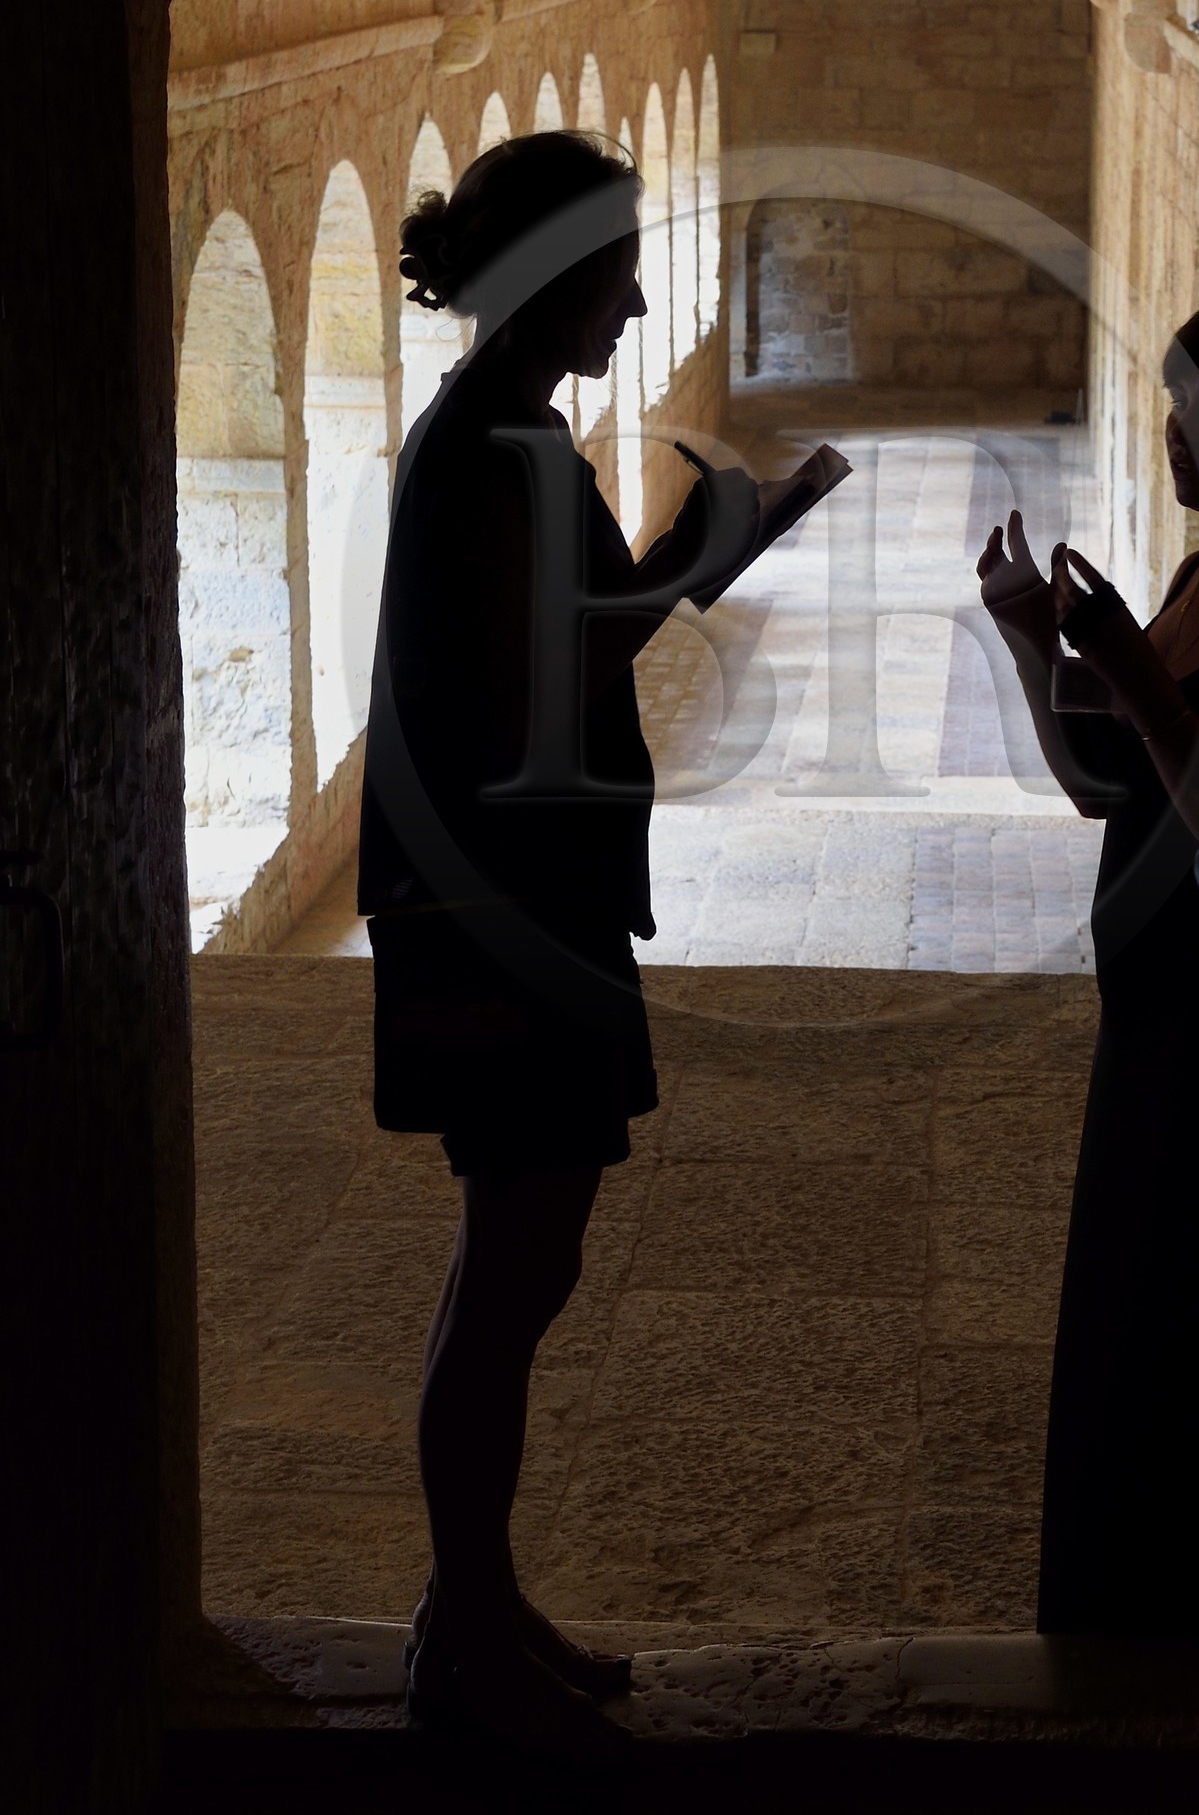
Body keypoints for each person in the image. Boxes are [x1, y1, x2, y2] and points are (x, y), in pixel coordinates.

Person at [358, 130, 785, 1755]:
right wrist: (694, 562)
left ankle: (473, 1606)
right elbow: (543, 678)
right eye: (617, 270)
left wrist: (689, 561)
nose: (637, 302)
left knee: (519, 1263)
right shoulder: (498, 447)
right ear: (551, 274)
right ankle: (468, 1634)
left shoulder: (502, 429)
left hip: (517, 899)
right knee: (514, 1271)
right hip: (503, 915)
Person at [977, 287, 1199, 1633]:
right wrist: (1032, 640)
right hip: (1151, 1018)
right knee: (1131, 1322)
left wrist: (1133, 677)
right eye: (1180, 405)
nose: (1188, 433)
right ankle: (1123, 1625)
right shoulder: (1198, 581)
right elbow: (1100, 787)